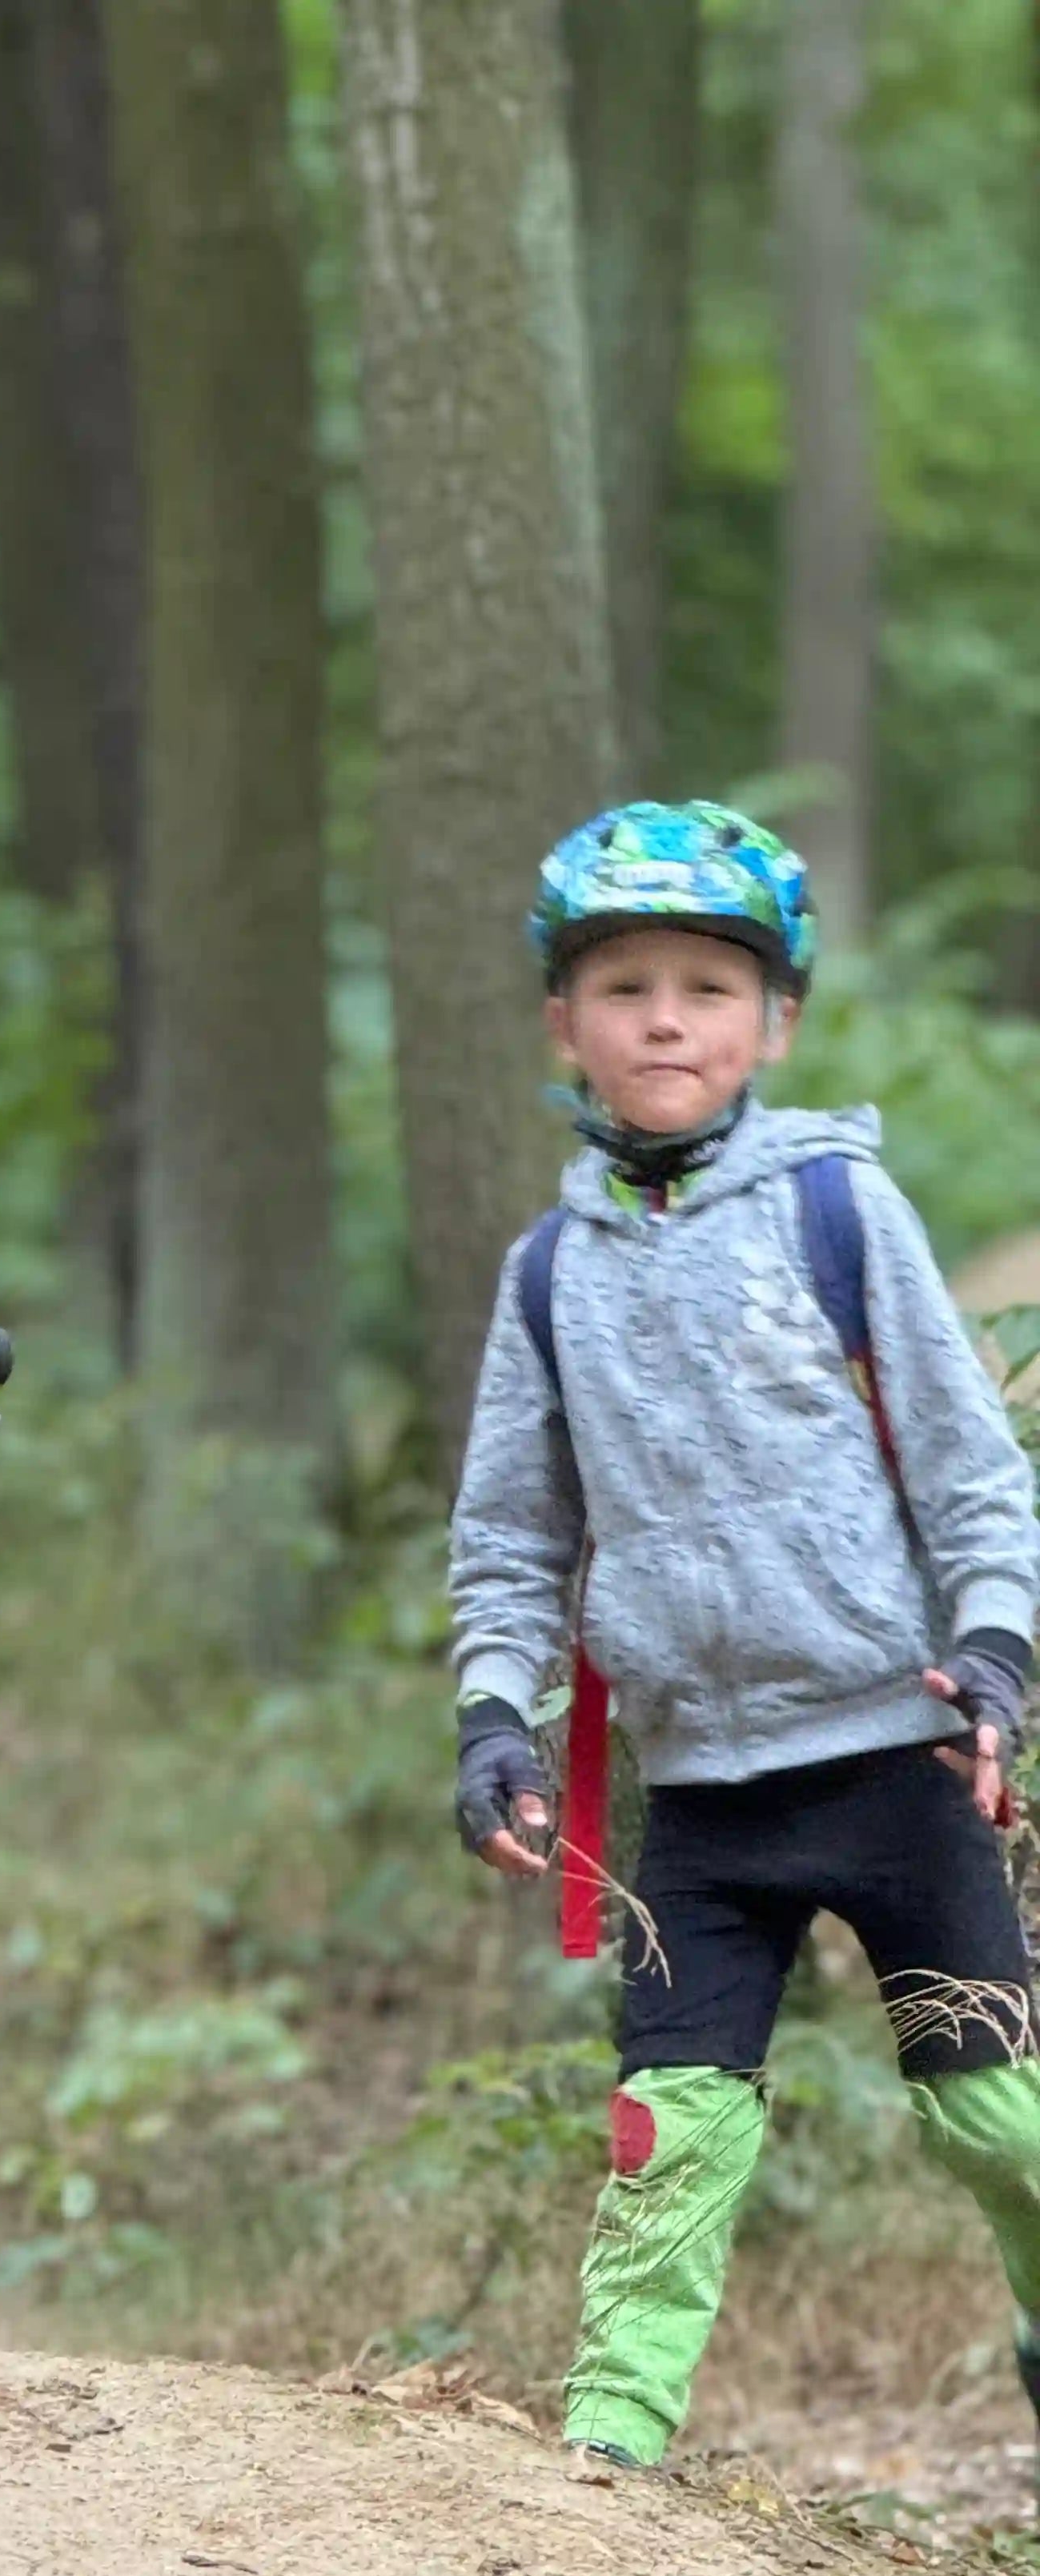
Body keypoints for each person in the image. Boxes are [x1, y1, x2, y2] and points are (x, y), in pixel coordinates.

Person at [449, 799, 1040, 2471]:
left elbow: (976, 1478)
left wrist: (997, 1656)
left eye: (706, 988)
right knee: (668, 2135)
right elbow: (510, 1533)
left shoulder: (842, 1215)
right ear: (565, 1022)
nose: (663, 1019)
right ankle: (608, 2459)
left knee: (1002, 2122)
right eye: (624, 985)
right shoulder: (551, 1272)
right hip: (697, 1800)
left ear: (772, 1020)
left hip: (891, 1758)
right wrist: (495, 1719)